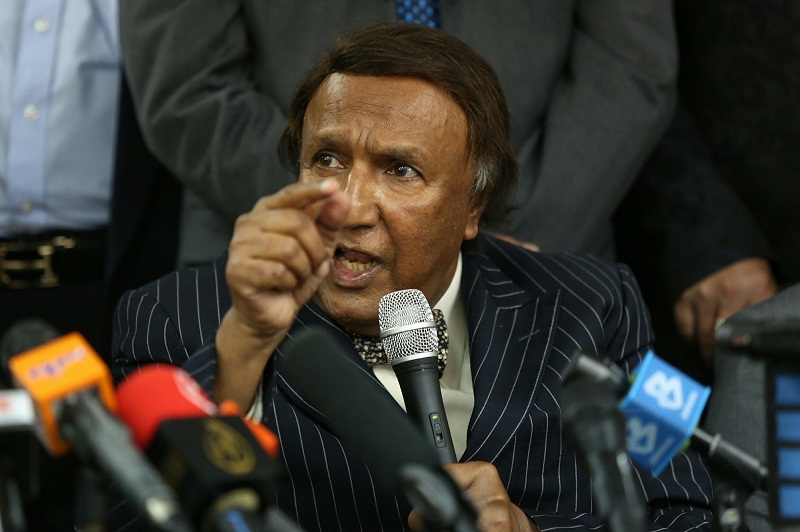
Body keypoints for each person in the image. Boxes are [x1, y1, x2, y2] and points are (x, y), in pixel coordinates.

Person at [112, 24, 712, 531]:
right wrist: (244, 346)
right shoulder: (177, 318)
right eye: (327, 159)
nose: (348, 206)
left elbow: (686, 512)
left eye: (400, 170)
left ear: (473, 206)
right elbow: (131, 518)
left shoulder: (595, 305)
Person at [119, 0, 678, 267]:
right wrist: (348, 213)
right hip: (282, 271)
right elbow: (187, 89)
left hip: (545, 250)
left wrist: (478, 218)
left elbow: (631, 66)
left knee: (551, 498)